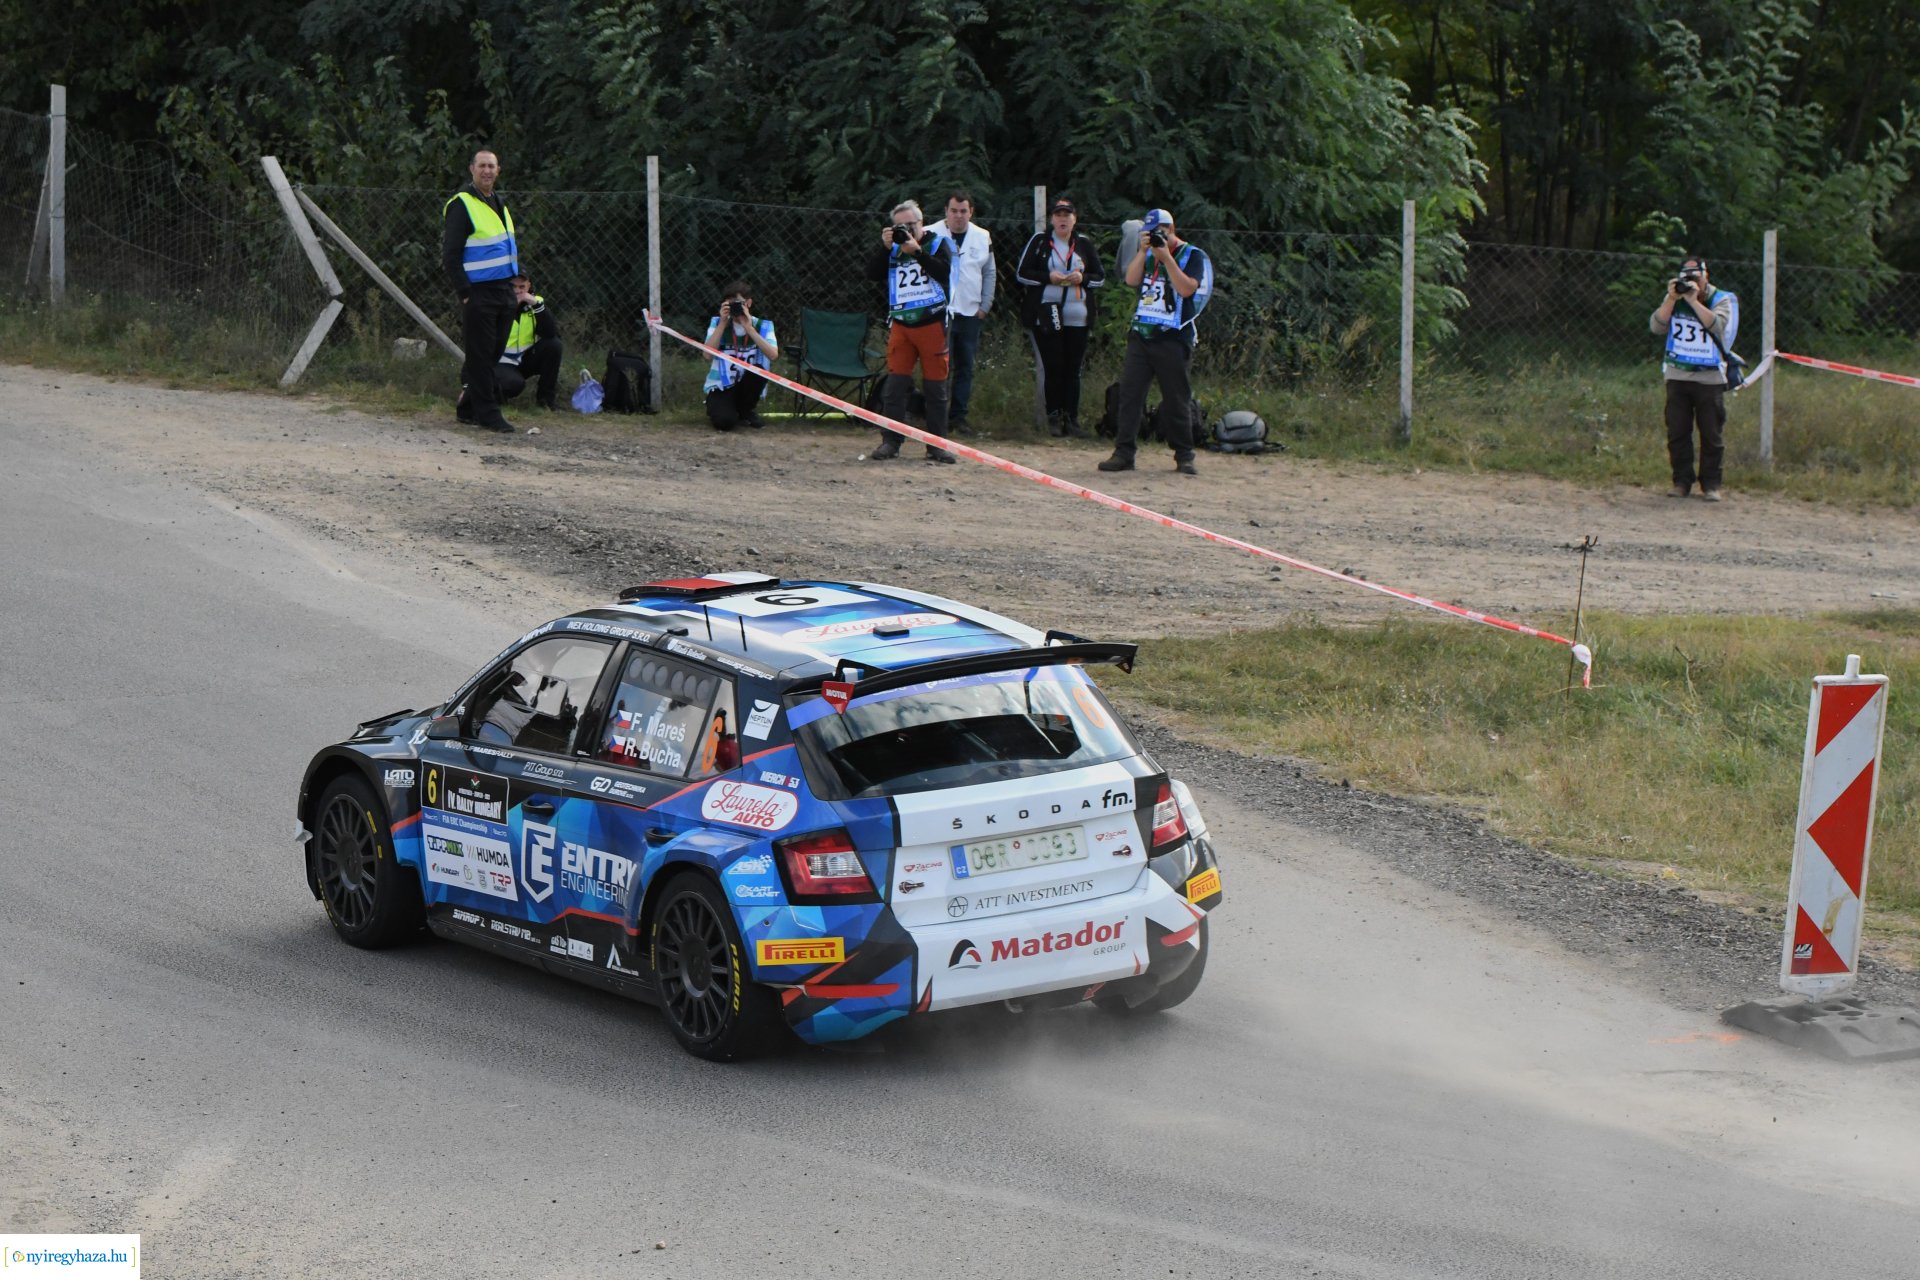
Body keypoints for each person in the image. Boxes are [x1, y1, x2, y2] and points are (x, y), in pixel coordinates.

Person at [1099, 208, 1214, 475]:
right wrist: (1143, 252)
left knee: (1176, 398)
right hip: (1142, 333)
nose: (1153, 238)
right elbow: (1131, 280)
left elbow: (1187, 288)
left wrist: (1166, 258)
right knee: (1130, 394)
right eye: (1148, 234)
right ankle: (1124, 452)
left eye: (1158, 233)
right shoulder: (1148, 253)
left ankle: (1184, 455)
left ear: (1171, 230)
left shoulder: (1193, 255)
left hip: (1174, 336)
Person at [865, 199, 957, 463]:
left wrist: (917, 251)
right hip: (902, 323)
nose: (905, 229)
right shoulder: (893, 249)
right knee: (895, 387)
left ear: (922, 222)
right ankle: (890, 442)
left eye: (910, 225)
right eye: (900, 226)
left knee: (935, 388)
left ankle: (936, 445)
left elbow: (945, 273)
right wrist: (885, 248)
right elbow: (871, 274)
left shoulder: (939, 243)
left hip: (932, 322)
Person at [442, 148, 520, 433]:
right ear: (471, 169)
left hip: (503, 291)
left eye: (492, 166)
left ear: (498, 170)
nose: (487, 171)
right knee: (481, 354)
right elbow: (451, 254)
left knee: (492, 353)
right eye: (482, 166)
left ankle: (467, 408)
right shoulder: (461, 204)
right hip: (478, 292)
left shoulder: (499, 203)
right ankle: (488, 413)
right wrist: (464, 291)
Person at [1650, 255, 1738, 501]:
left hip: (1709, 376)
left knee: (1711, 433)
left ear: (1705, 275)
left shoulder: (1720, 299)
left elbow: (1718, 325)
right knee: (1677, 431)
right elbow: (1656, 327)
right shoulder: (1675, 297)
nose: (1690, 281)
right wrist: (1671, 298)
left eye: (1695, 276)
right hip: (1678, 374)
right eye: (1686, 277)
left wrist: (1694, 300)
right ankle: (1681, 482)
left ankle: (1711, 484)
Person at [1016, 196, 1105, 437]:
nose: (1062, 219)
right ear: (1052, 219)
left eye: (1067, 215)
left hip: (1078, 315)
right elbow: (1022, 274)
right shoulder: (1041, 242)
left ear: (1075, 219)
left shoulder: (1084, 244)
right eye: (1058, 215)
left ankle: (1072, 419)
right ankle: (1053, 416)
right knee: (1053, 366)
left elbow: (1100, 277)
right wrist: (1049, 277)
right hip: (1047, 314)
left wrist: (1083, 279)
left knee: (1073, 368)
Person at [940, 192, 995, 435]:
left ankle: (958, 417)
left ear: (970, 212)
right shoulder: (932, 233)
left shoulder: (982, 236)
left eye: (963, 211)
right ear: (946, 212)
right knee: (940, 367)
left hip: (970, 311)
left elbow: (990, 272)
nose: (959, 216)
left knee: (965, 367)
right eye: (954, 211)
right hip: (940, 312)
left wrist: (985, 306)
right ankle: (937, 415)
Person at [702, 280, 779, 431]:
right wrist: (723, 324)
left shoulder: (763, 325)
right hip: (721, 385)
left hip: (746, 384)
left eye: (739, 303)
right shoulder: (717, 323)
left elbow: (773, 355)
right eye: (730, 304)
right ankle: (725, 410)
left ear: (748, 303)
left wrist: (749, 328)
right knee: (724, 423)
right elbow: (707, 355)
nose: (735, 308)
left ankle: (745, 411)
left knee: (758, 371)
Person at [494, 273, 562, 410]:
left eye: (522, 286)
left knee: (554, 345)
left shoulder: (535, 302)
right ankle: (492, 396)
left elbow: (550, 333)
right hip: (500, 361)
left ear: (529, 286)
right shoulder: (496, 302)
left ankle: (546, 401)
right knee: (514, 384)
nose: (518, 291)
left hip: (523, 359)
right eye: (512, 286)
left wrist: (536, 305)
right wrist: (512, 307)